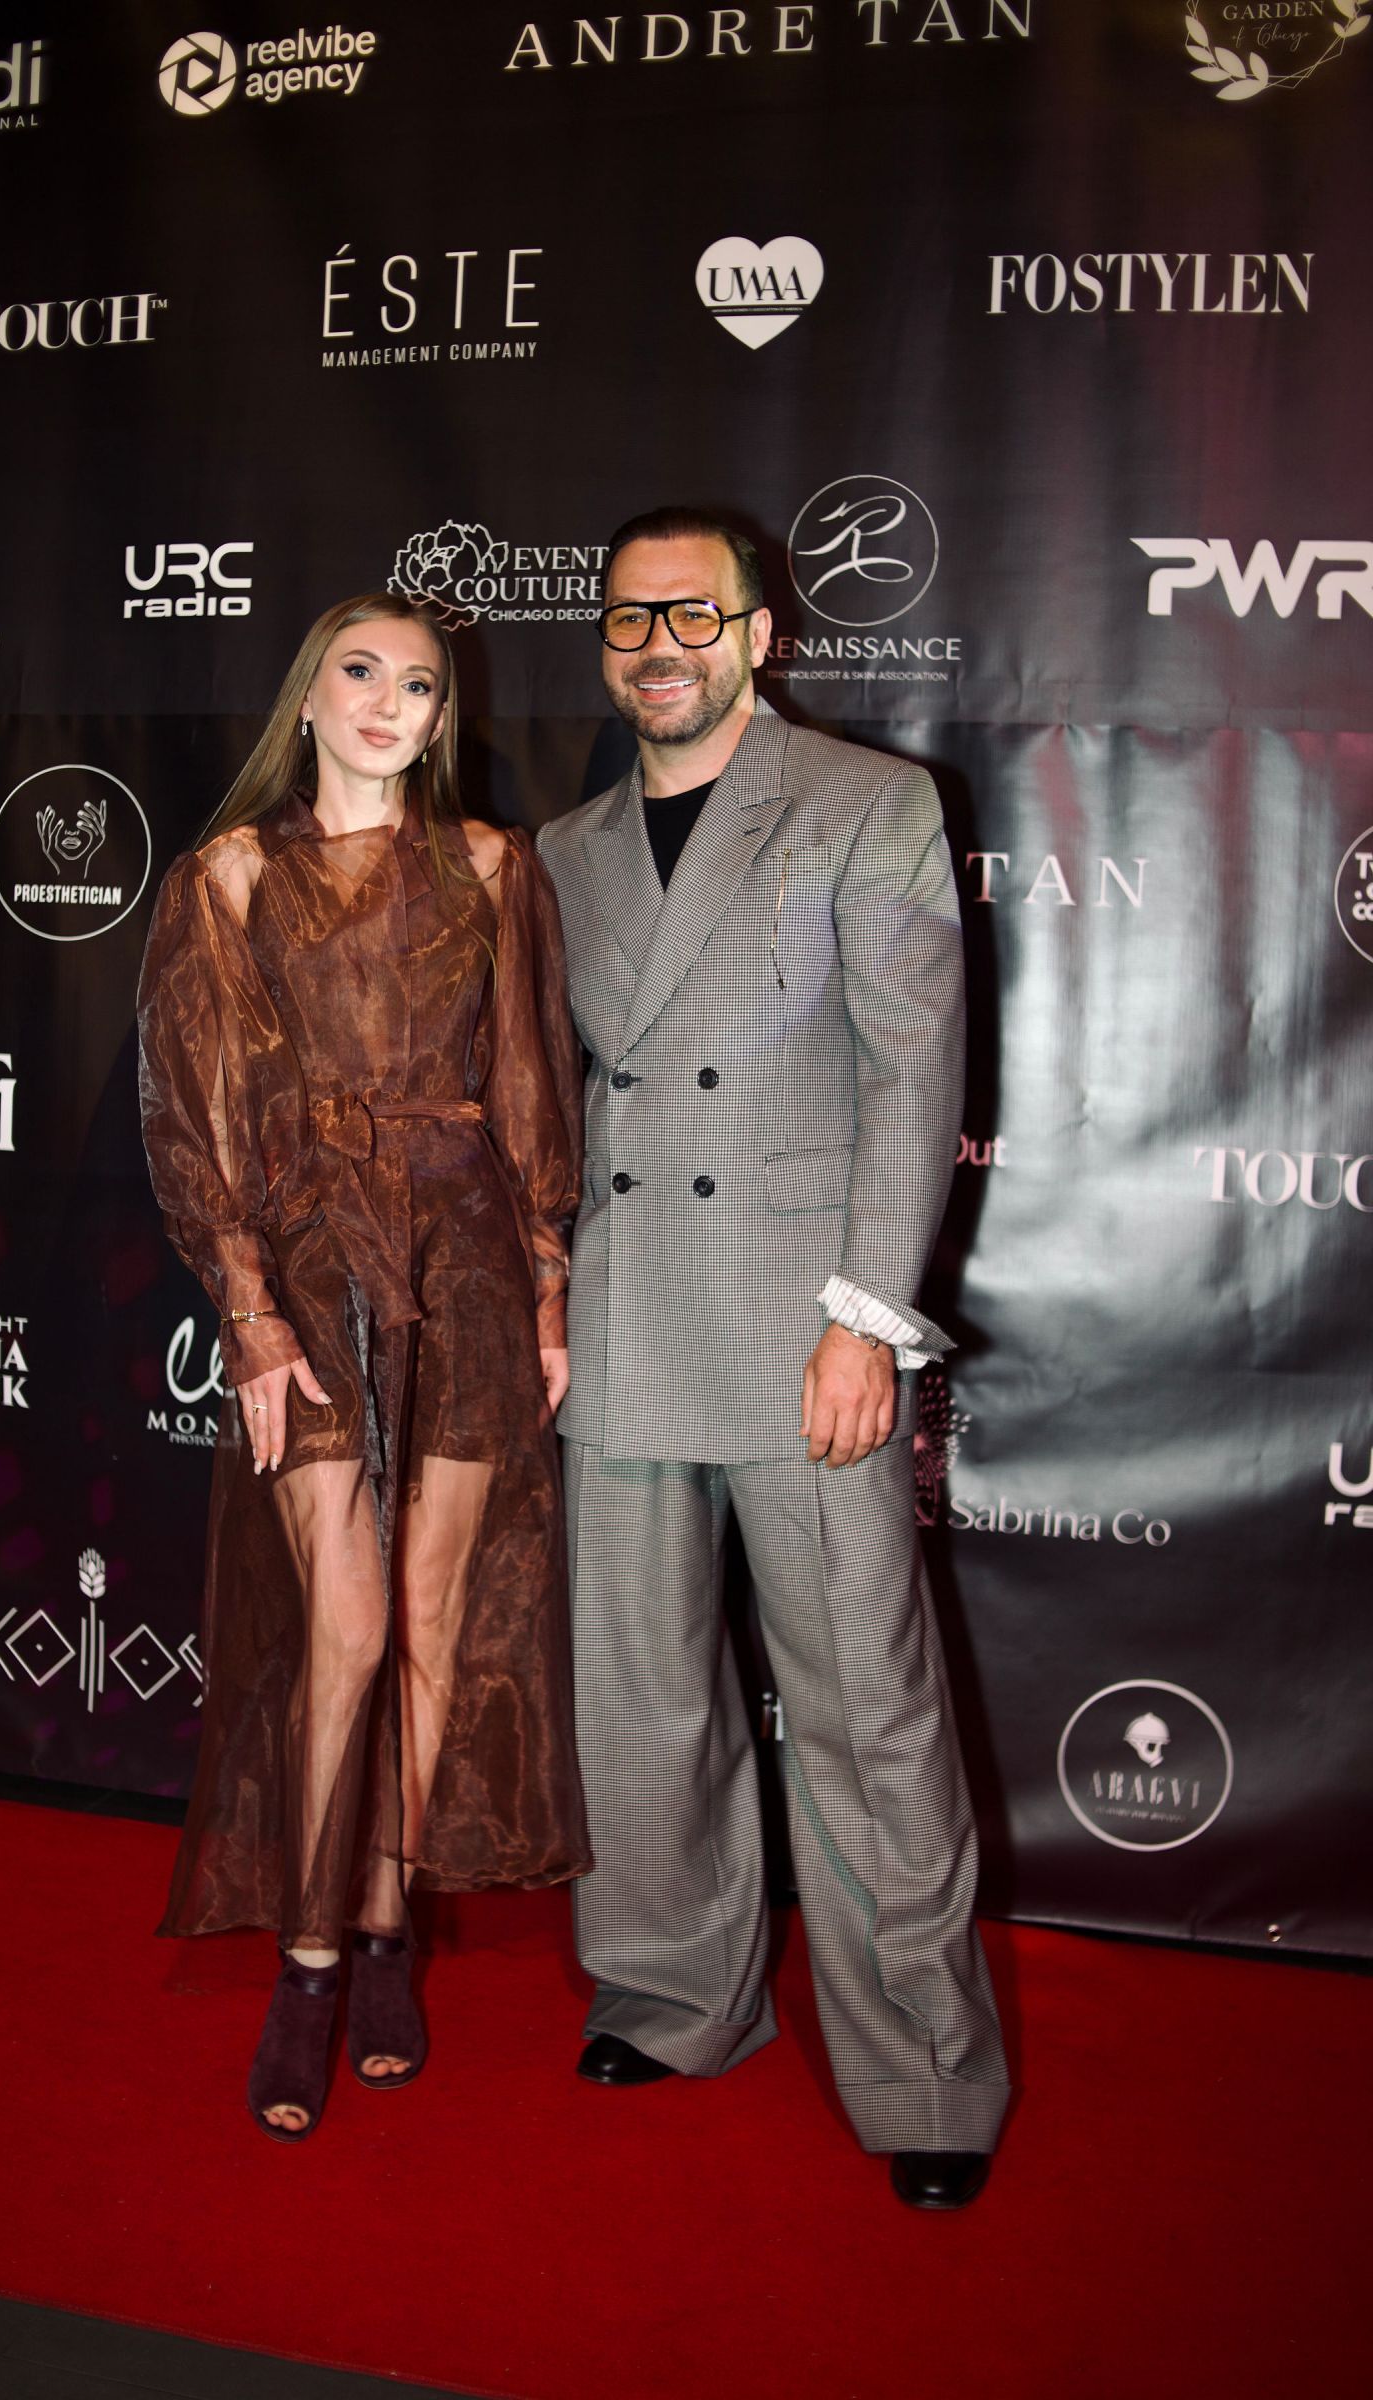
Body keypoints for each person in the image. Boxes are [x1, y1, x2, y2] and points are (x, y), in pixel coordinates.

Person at [536, 509, 1009, 2210]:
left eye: (692, 614)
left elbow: (913, 1073)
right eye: (627, 618)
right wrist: (544, 1295)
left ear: (758, 633)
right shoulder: (568, 846)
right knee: (637, 1697)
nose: (657, 645)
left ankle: (927, 2065)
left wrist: (866, 1319)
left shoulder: (866, 801)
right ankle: (672, 1996)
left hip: (802, 1324)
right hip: (624, 1318)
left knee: (866, 1709)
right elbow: (555, 1105)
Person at [138, 593, 590, 2143]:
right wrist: (249, 1308)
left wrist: (546, 1289)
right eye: (362, 673)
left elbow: (528, 1089)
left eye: (421, 683)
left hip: (467, 1262)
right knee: (342, 1621)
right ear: (310, 696)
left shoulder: (492, 867)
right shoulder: (231, 876)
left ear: (442, 713)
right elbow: (194, 1117)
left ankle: (386, 1925)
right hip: (313, 1261)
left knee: (432, 1618)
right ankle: (310, 1957)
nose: (392, 703)